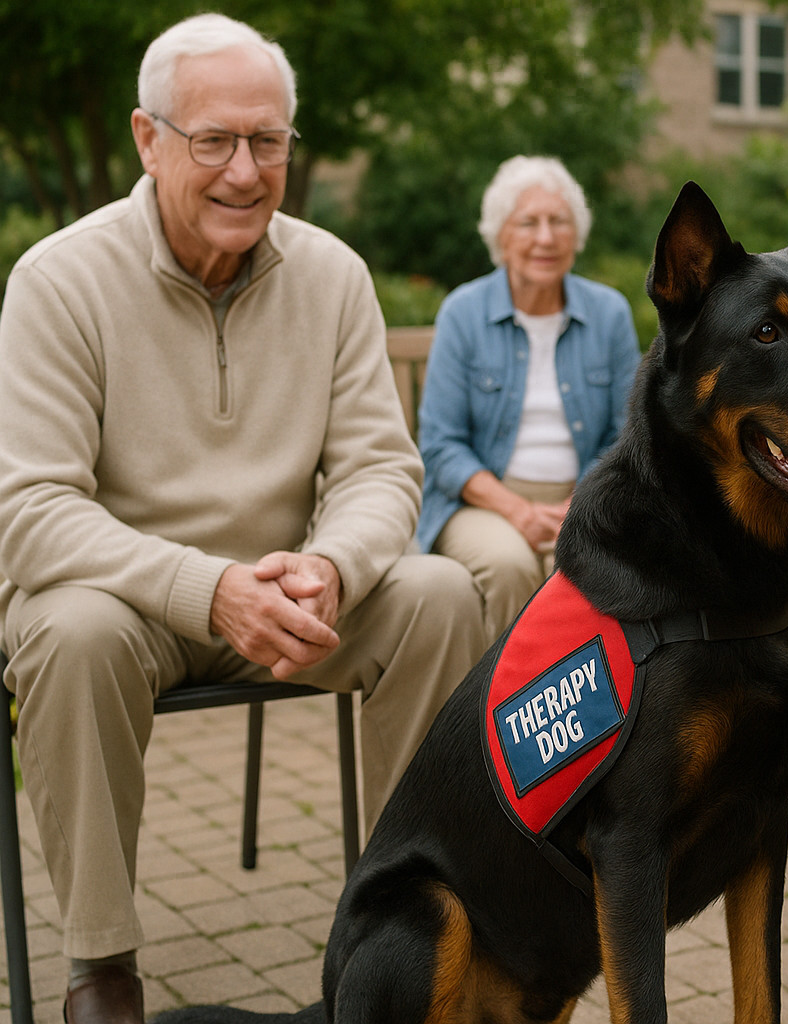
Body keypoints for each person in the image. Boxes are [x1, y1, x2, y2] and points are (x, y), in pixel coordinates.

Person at [0, 14, 486, 1023]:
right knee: (69, 633)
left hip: (294, 597)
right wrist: (207, 590)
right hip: (131, 607)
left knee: (440, 591)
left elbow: (379, 469)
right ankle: (101, 964)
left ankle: (406, 926)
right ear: (148, 139)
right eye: (213, 139)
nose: (244, 169)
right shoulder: (58, 281)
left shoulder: (332, 275)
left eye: (267, 141)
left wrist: (334, 567)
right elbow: (31, 509)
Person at [416, 155, 641, 639]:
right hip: (483, 501)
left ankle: (602, 711)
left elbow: (627, 435)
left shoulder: (608, 314)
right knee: (508, 564)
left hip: (583, 496)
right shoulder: (464, 313)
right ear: (501, 235)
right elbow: (440, 445)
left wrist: (578, 505)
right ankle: (503, 708)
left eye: (559, 221)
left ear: (576, 234)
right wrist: (516, 510)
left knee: (626, 560)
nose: (546, 237)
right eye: (528, 222)